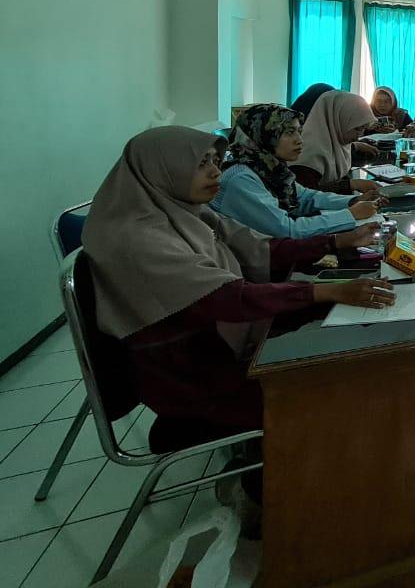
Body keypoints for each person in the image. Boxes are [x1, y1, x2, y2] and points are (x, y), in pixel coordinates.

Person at [81, 127, 392, 497]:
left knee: (333, 338)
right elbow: (228, 299)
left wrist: (335, 241)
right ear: (161, 170)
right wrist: (325, 290)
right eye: (200, 164)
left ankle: (282, 476)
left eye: (214, 160)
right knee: (327, 389)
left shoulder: (185, 211)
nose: (215, 172)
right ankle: (278, 500)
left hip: (212, 341)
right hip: (190, 375)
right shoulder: (138, 237)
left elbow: (259, 247)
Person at [211, 104, 380, 238]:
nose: (299, 140)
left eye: (299, 132)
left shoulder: (270, 167)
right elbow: (286, 230)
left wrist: (353, 201)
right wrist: (350, 214)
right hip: (251, 269)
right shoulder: (241, 179)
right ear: (264, 135)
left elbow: (304, 197)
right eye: (289, 133)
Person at [292, 90, 380, 194]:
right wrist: (351, 184)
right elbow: (306, 197)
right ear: (337, 121)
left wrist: (356, 146)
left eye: (363, 129)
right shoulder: (307, 154)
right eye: (357, 129)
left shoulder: (330, 139)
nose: (359, 136)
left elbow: (333, 150)